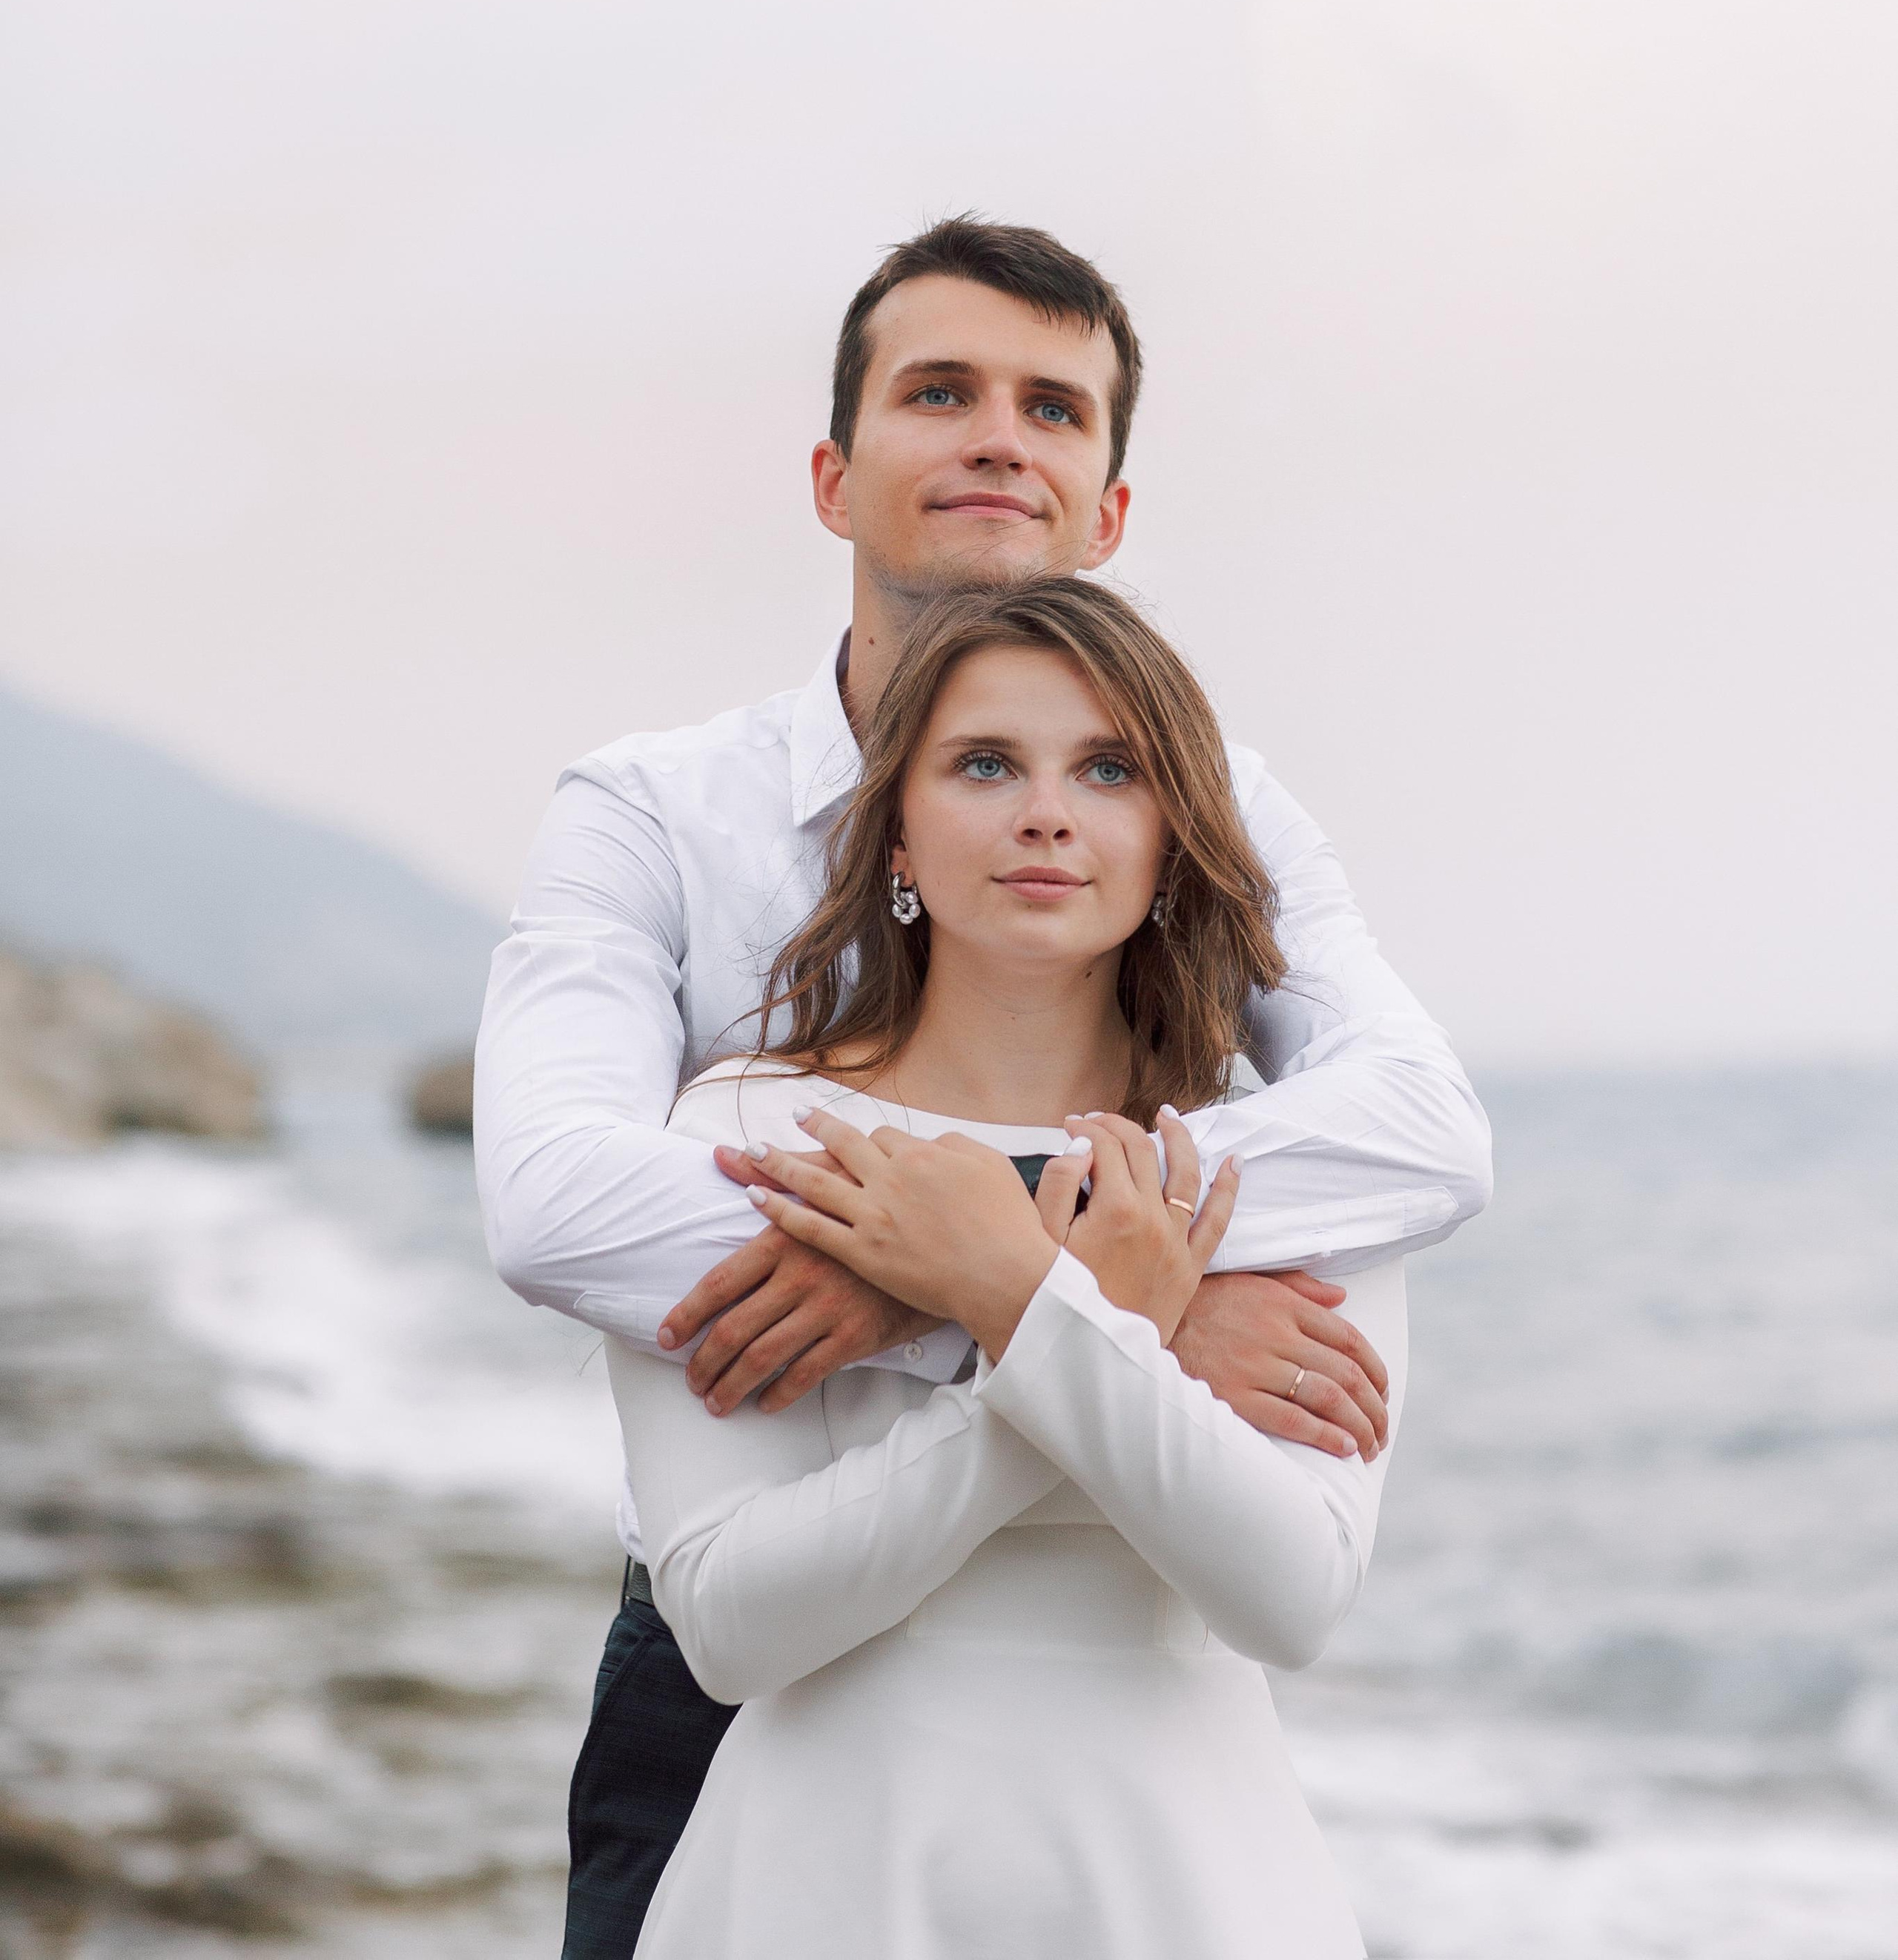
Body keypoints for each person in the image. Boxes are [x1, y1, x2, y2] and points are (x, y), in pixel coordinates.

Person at [473, 215, 1489, 1956]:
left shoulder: (1214, 799)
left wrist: (1008, 1273)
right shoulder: (654, 809)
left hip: (1135, 1768)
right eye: (938, 392)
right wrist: (1071, 1289)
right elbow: (559, 1201)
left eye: (1053, 408)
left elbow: (1414, 1125)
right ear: (832, 472)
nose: (996, 438)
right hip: (746, 1663)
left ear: (1106, 508)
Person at [612, 576, 1409, 1958]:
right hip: (824, 1885)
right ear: (897, 832)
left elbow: (1291, 1596)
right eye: (986, 763)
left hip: (1188, 1893)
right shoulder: (749, 1129)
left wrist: (1026, 1300)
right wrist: (1090, 1323)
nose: (1047, 811)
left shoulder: (1279, 1153)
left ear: (1172, 840)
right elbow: (732, 1627)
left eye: (1109, 769)